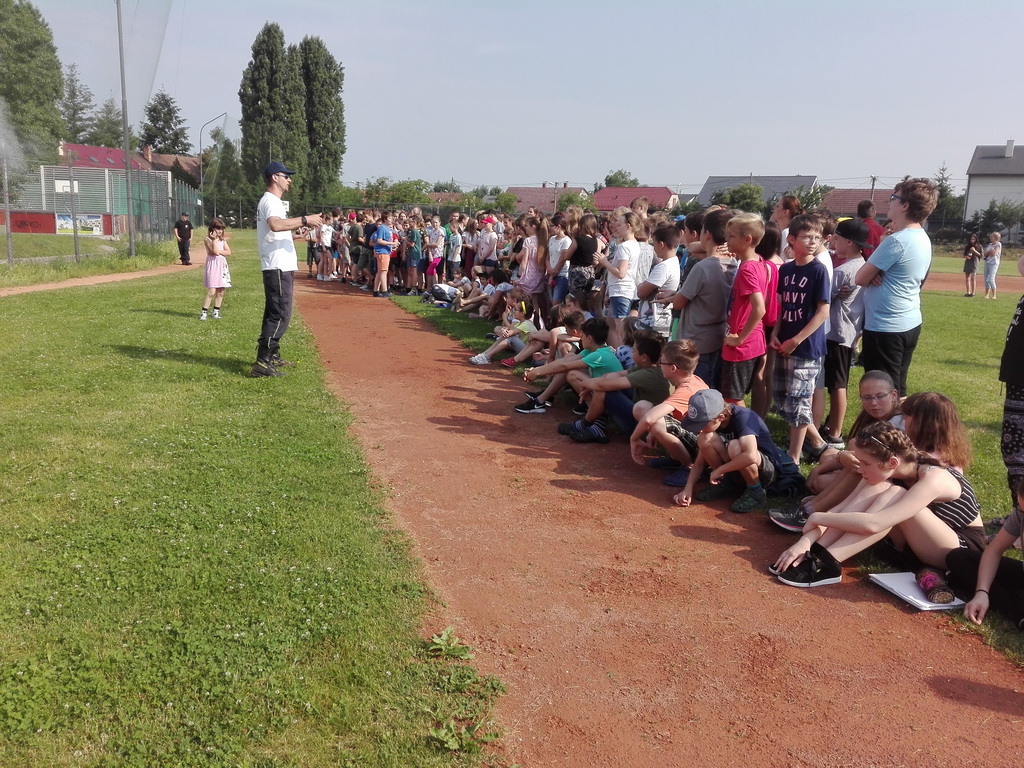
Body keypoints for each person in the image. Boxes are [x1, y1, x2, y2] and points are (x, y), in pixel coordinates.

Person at [771, 421, 985, 588]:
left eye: (865, 463)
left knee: (896, 494)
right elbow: (842, 511)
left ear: (893, 462)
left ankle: (828, 563)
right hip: (915, 541)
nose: (860, 469)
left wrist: (816, 517)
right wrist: (806, 542)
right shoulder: (894, 469)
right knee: (884, 489)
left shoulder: (934, 478)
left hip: (959, 552)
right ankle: (818, 553)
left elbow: (875, 524)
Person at [855, 177, 939, 397]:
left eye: (894, 198)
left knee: (883, 391)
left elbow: (860, 278)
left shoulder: (897, 240)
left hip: (886, 327)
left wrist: (875, 268)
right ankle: (900, 420)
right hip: (908, 321)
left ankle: (894, 422)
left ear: (905, 205)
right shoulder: (921, 236)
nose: (889, 202)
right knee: (897, 387)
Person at [251, 161, 323, 378]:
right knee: (280, 313)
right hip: (277, 266)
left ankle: (271, 355)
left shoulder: (271, 201)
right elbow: (275, 224)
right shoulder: (271, 201)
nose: (289, 180)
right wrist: (305, 219)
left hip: (278, 265)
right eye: (286, 176)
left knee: (274, 312)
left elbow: (275, 230)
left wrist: (294, 234)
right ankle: (263, 362)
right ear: (275, 178)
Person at [770, 214, 831, 464]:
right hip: (784, 343)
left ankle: (794, 457)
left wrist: (797, 339)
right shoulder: (785, 269)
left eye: (817, 237)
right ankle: (818, 444)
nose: (813, 241)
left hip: (806, 347)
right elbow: (783, 305)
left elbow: (823, 311)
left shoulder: (818, 270)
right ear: (792, 240)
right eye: (807, 237)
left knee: (799, 401)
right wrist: (775, 333)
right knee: (783, 401)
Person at [629, 339, 709, 487]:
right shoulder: (689, 381)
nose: (659, 365)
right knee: (642, 407)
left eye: (662, 362)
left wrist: (634, 439)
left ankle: (690, 467)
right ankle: (676, 458)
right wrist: (652, 433)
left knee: (657, 423)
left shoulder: (686, 390)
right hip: (695, 437)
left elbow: (650, 419)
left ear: (673, 368)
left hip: (704, 449)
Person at [949, 476, 1024, 632]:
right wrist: (981, 592)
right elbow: (994, 550)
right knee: (958, 558)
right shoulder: (1020, 513)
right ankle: (1008, 604)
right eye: (1021, 509)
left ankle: (1016, 611)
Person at [821, 218, 868, 446]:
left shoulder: (842, 271)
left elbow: (822, 299)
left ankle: (835, 433)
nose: (834, 243)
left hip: (838, 333)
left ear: (849, 242)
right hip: (850, 332)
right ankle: (832, 425)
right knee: (838, 382)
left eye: (838, 239)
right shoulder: (863, 266)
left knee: (837, 384)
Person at [720, 213, 768, 406]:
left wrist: (739, 338)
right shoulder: (759, 262)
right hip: (755, 340)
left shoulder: (747, 269)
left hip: (741, 345)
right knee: (734, 396)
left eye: (731, 236)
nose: (727, 239)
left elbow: (759, 308)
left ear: (747, 240)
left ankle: (748, 426)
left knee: (732, 399)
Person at [200, 218, 231, 321]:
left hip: (222, 266)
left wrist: (220, 251)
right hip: (213, 265)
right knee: (212, 290)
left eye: (221, 229)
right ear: (212, 229)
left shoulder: (222, 240)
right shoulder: (207, 239)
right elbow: (214, 252)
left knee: (221, 290)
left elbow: (229, 252)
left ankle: (216, 312)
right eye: (218, 228)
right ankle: (204, 312)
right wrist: (214, 241)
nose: (220, 231)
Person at [962, 233, 982, 297]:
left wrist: (974, 251)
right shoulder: (967, 246)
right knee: (967, 278)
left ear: (976, 239)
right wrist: (966, 257)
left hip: (975, 262)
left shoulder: (979, 246)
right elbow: (964, 254)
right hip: (968, 262)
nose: (972, 240)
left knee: (973, 278)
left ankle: (973, 293)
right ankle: (968, 292)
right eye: (971, 239)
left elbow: (981, 255)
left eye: (973, 239)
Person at [983, 231, 1002, 300]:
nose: (990, 237)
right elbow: (985, 253)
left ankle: (994, 295)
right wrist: (989, 252)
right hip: (987, 262)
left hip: (994, 263)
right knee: (986, 279)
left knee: (991, 279)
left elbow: (994, 253)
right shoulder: (990, 245)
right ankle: (987, 294)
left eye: (992, 236)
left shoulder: (998, 244)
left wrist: (989, 252)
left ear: (996, 237)